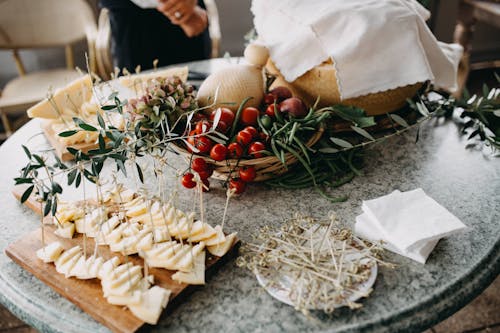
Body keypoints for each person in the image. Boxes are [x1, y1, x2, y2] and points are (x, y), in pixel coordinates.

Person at [100, 0, 211, 71]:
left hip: (189, 22)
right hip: (135, 26)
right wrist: (181, 10)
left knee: (199, 96)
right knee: (138, 98)